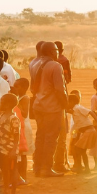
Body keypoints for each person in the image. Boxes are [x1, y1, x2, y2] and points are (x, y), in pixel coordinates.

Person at [28, 41, 69, 176]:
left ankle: (37, 167)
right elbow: (59, 89)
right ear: (52, 52)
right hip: (52, 107)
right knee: (51, 138)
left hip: (38, 106)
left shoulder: (34, 63)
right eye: (57, 50)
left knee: (40, 136)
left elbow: (33, 86)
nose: (58, 52)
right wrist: (65, 105)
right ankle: (46, 168)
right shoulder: (55, 66)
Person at [68, 89, 97, 173]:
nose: (67, 104)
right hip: (87, 132)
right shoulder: (74, 110)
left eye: (68, 102)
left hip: (89, 131)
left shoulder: (78, 107)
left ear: (73, 102)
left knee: (77, 148)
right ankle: (85, 169)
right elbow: (68, 110)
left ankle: (81, 168)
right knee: (81, 150)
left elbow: (90, 112)